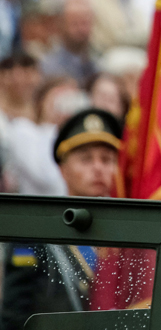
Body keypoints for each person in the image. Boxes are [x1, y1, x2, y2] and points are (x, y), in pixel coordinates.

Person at [0, 108, 121, 330]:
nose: (98, 168)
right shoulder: (33, 235)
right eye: (85, 159)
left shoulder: (127, 234)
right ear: (63, 169)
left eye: (107, 160)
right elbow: (16, 313)